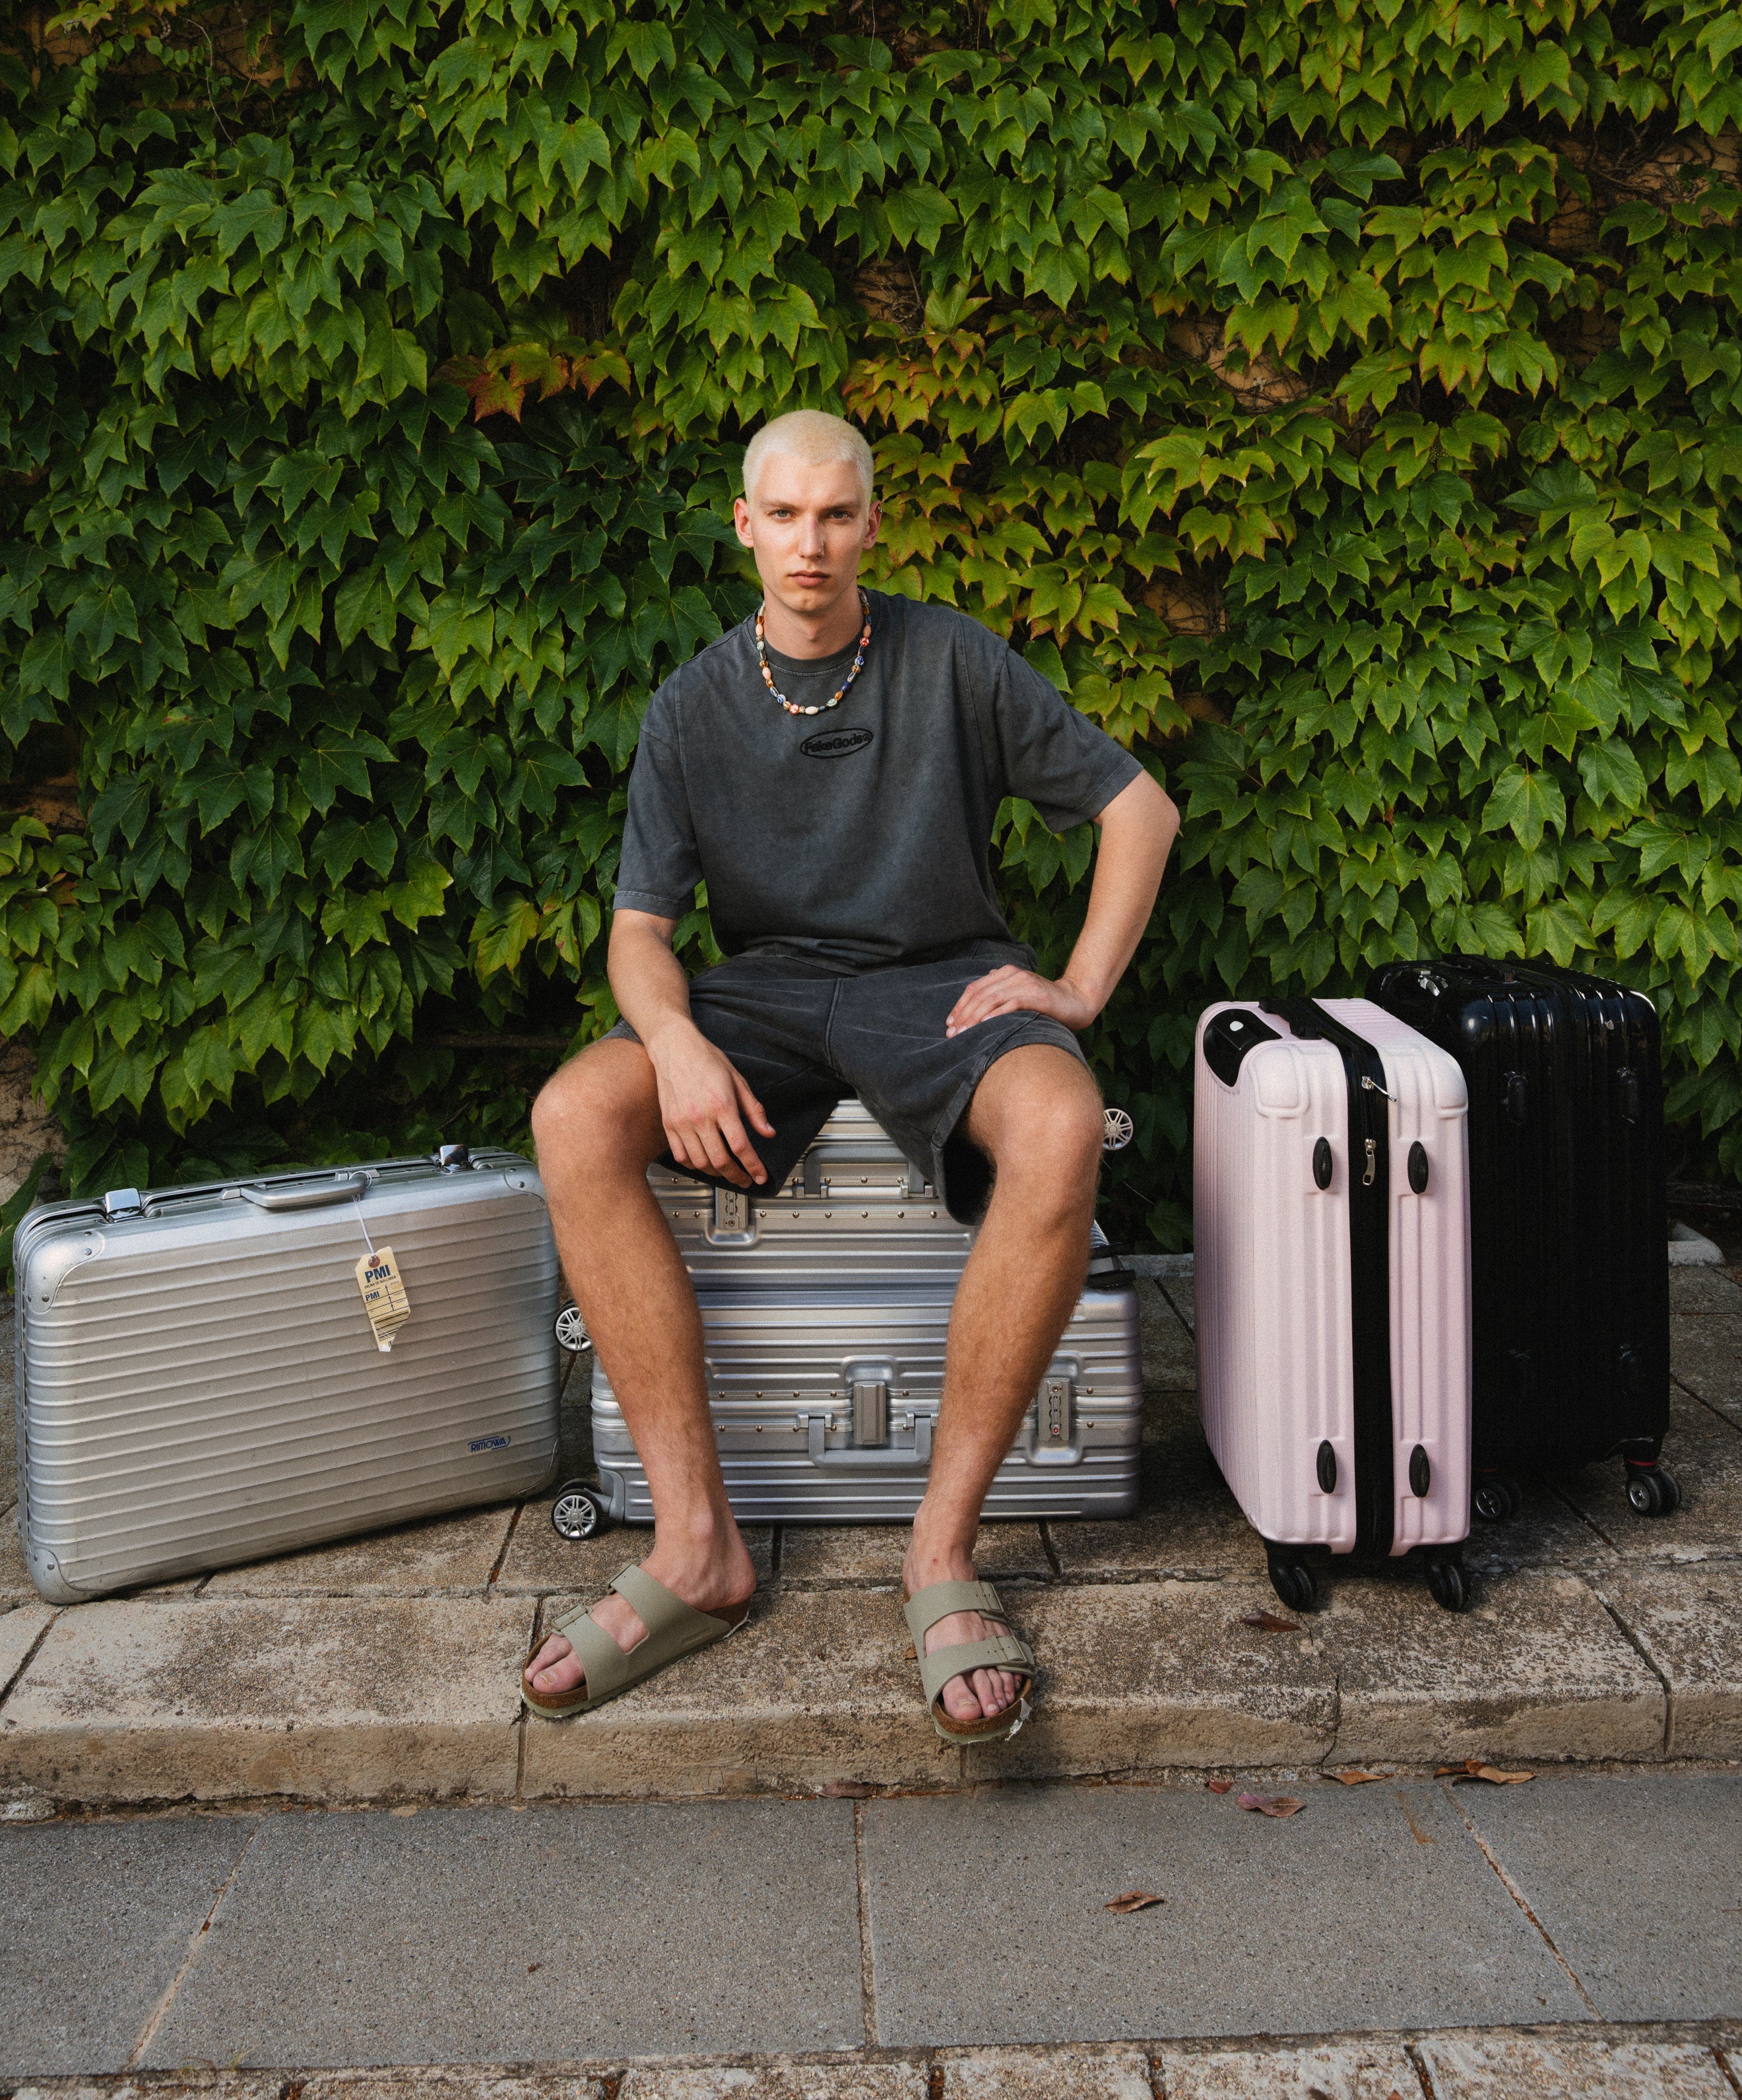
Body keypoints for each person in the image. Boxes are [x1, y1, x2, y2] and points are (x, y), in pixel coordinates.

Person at [522, 409, 1178, 1742]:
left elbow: (1139, 809)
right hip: (765, 994)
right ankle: (698, 1544)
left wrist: (1078, 987)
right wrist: (678, 1039)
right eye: (784, 516)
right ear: (745, 527)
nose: (809, 544)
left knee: (1059, 1125)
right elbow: (640, 934)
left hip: (942, 982)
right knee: (575, 1109)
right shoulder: (695, 705)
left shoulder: (948, 659)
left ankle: (941, 1551)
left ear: (872, 522)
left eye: (836, 515)